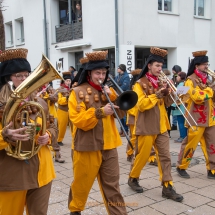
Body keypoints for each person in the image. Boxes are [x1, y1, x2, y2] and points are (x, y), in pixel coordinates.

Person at [68, 50, 127, 215]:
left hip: (109, 145)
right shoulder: (76, 92)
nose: (101, 76)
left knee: (113, 186)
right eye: (97, 73)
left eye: (103, 73)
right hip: (86, 146)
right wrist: (100, 112)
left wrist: (113, 97)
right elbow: (77, 120)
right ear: (89, 73)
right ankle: (75, 210)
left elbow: (121, 114)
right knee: (81, 184)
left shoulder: (108, 91)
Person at [0, 48, 58, 215]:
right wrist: (4, 136)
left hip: (42, 172)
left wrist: (48, 136)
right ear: (7, 79)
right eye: (19, 76)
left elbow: (54, 125)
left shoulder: (40, 101)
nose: (25, 79)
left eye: (27, 75)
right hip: (11, 175)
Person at [128, 47, 183, 202]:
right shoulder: (140, 84)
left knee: (165, 157)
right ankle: (133, 178)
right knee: (143, 156)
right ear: (149, 66)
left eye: (161, 66)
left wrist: (172, 94)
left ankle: (167, 186)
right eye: (157, 66)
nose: (160, 69)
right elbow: (141, 105)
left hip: (162, 125)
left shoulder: (161, 81)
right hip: (146, 126)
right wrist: (158, 94)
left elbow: (166, 103)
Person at [176, 50, 215, 179]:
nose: (207, 67)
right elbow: (198, 97)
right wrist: (211, 89)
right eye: (204, 64)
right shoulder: (189, 80)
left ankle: (212, 169)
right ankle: (181, 166)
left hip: (210, 118)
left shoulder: (207, 80)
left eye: (207, 64)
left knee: (212, 144)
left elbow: (211, 98)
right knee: (190, 145)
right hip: (196, 118)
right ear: (197, 66)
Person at [171, 72, 188, 143]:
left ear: (181, 77)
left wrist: (173, 105)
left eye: (178, 76)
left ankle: (183, 137)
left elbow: (178, 97)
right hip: (184, 106)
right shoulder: (186, 84)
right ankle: (185, 136)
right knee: (184, 123)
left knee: (181, 123)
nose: (176, 77)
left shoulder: (181, 85)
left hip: (180, 107)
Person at [115, 64, 130, 137]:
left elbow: (125, 86)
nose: (117, 69)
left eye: (118, 68)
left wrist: (117, 87)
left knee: (124, 114)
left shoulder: (126, 76)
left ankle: (126, 130)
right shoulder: (117, 76)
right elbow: (114, 83)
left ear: (122, 69)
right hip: (118, 95)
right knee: (119, 113)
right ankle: (122, 129)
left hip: (123, 96)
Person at [57, 71, 72, 146]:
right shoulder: (60, 89)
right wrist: (67, 98)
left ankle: (75, 139)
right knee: (62, 126)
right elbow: (60, 101)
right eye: (67, 80)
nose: (68, 82)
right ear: (64, 81)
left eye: (69, 80)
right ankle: (59, 140)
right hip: (62, 110)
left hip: (71, 110)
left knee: (73, 126)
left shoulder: (72, 89)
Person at [171, 65, 182, 130]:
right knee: (175, 113)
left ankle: (174, 124)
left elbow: (179, 93)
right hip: (175, 95)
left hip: (177, 97)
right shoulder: (174, 78)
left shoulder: (181, 82)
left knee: (178, 114)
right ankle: (174, 124)